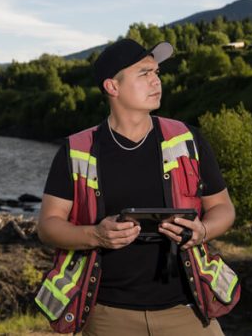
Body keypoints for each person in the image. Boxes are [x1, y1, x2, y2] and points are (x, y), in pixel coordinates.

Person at [35, 38, 238, 336]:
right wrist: (96, 235)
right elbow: (48, 226)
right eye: (144, 74)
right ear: (112, 87)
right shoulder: (75, 150)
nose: (156, 81)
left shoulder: (187, 139)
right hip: (107, 316)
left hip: (187, 311)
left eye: (156, 73)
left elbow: (223, 208)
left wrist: (202, 231)